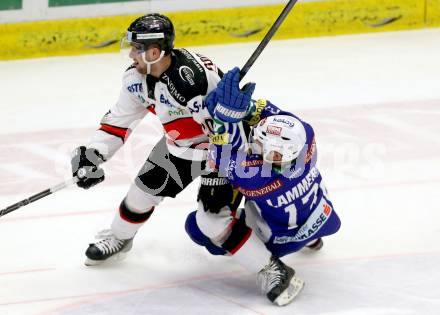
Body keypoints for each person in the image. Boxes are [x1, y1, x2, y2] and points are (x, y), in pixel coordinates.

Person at [71, 14, 269, 268]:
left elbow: (232, 127)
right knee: (139, 197)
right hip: (180, 148)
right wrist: (93, 153)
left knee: (215, 220)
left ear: (154, 52)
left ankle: (274, 260)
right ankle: (120, 238)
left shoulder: (195, 79)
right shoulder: (135, 80)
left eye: (136, 49)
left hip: (222, 152)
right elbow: (117, 122)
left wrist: (217, 117)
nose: (131, 54)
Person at [184, 67, 341, 306]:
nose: (254, 143)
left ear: (275, 154)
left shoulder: (256, 177)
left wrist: (223, 118)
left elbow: (218, 157)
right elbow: (279, 118)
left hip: (281, 239)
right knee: (288, 205)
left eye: (259, 143)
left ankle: (272, 270)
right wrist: (247, 107)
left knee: (200, 225)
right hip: (323, 216)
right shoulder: (305, 138)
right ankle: (312, 239)